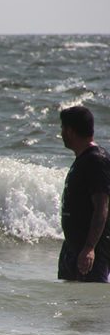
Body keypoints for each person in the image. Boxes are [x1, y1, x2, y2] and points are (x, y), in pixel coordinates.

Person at [58, 106, 110, 282]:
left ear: (71, 131)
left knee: (89, 305)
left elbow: (102, 207)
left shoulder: (96, 160)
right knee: (70, 304)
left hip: (90, 250)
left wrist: (89, 247)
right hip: (74, 247)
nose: (61, 134)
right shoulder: (83, 159)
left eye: (63, 129)